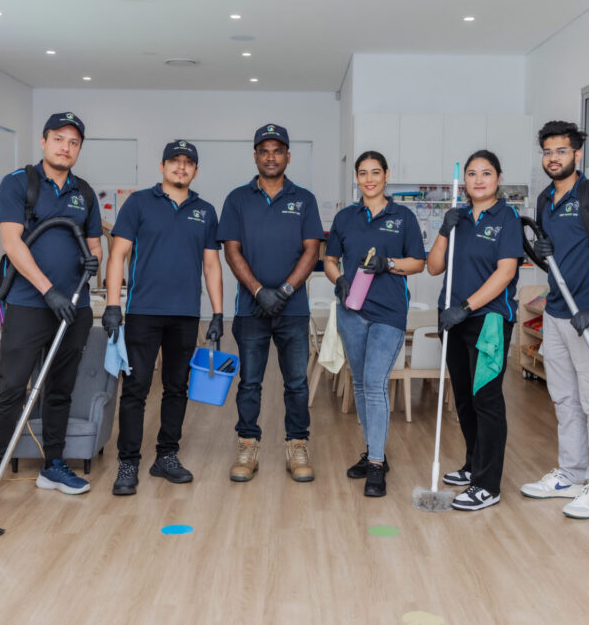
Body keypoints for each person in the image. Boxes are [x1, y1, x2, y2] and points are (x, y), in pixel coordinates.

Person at [0, 112, 102, 515]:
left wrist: (93, 263)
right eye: (59, 138)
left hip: (75, 308)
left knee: (61, 389)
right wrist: (48, 291)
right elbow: (12, 244)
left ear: (79, 149)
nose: (66, 147)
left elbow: (94, 245)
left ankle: (53, 465)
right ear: (43, 141)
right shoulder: (18, 184)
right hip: (29, 304)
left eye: (74, 142)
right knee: (13, 390)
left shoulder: (84, 193)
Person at [102, 140, 224, 496]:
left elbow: (211, 264)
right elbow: (118, 254)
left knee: (176, 388)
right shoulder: (139, 203)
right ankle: (128, 462)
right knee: (136, 389)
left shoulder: (205, 210)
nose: (181, 167)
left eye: (188, 163)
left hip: (186, 314)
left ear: (195, 171)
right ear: (162, 166)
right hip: (143, 312)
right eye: (175, 161)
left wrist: (217, 313)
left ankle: (166, 456)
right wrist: (113, 305)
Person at [520, 120, 589, 519]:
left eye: (561, 151)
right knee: (564, 397)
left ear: (577, 154)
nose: (553, 158)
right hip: (557, 311)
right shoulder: (545, 199)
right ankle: (572, 474)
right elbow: (549, 256)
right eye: (547, 151)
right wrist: (540, 250)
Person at [217, 123, 324, 482]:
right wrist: (259, 291)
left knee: (296, 383)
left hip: (293, 311)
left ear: (287, 156)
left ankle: (297, 445)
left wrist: (286, 291)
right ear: (256, 156)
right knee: (249, 382)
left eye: (278, 150)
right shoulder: (237, 199)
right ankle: (248, 445)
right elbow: (232, 251)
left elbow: (313, 250)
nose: (271, 156)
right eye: (264, 151)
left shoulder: (304, 199)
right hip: (250, 310)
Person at [325, 151, 425, 497]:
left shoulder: (403, 217)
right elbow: (329, 259)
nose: (369, 179)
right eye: (363, 173)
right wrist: (338, 279)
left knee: (374, 382)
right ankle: (372, 452)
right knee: (359, 385)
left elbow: (418, 263)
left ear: (386, 175)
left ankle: (377, 464)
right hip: (351, 311)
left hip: (388, 313)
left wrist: (389, 263)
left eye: (375, 172)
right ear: (356, 178)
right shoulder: (345, 217)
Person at [427, 151, 523, 511]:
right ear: (463, 181)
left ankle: (487, 485)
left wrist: (465, 307)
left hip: (488, 321)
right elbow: (434, 268)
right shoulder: (458, 218)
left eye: (486, 173)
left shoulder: (507, 217)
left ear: (498, 178)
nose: (478, 179)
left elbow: (505, 273)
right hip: (451, 319)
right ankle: (472, 466)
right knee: (464, 398)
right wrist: (443, 229)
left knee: (486, 399)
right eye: (471, 174)